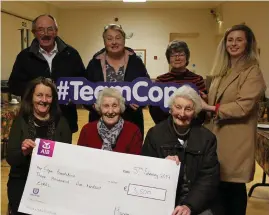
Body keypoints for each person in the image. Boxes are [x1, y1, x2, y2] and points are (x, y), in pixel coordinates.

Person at [201, 24, 266, 215]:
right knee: (219, 188)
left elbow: (243, 106)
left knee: (233, 189)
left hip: (236, 140)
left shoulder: (252, 71)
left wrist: (212, 108)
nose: (233, 44)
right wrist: (206, 100)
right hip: (217, 136)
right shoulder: (223, 70)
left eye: (239, 40)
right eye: (230, 40)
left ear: (248, 43)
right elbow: (220, 100)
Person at [142, 85, 221, 215]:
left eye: (188, 109)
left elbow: (209, 178)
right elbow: (144, 170)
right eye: (178, 107)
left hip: (196, 202)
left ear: (195, 112)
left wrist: (189, 206)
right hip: (162, 199)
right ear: (170, 108)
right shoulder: (155, 134)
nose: (182, 114)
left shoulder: (207, 138)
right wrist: (161, 165)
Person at [8, 14, 85, 134]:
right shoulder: (24, 57)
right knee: (33, 152)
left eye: (50, 29)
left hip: (64, 121)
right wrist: (37, 90)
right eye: (40, 29)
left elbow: (82, 82)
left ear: (56, 31)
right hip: (32, 121)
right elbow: (14, 85)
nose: (46, 33)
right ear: (34, 32)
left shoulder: (71, 54)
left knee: (63, 152)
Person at [6, 77, 72, 215]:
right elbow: (11, 158)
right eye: (39, 95)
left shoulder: (62, 123)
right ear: (31, 97)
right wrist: (23, 152)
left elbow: (67, 159)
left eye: (48, 96)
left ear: (53, 99)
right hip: (22, 179)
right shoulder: (21, 121)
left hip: (52, 181)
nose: (44, 100)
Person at [85, 24, 149, 138]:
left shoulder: (136, 62)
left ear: (124, 40)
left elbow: (146, 87)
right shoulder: (94, 63)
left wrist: (140, 102)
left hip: (131, 121)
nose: (114, 42)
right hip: (100, 122)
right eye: (109, 39)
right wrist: (92, 105)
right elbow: (83, 91)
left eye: (118, 38)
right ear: (104, 42)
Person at [149, 40, 207, 125]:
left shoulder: (197, 79)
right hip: (166, 127)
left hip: (192, 127)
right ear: (169, 59)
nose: (177, 58)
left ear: (187, 57)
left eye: (181, 55)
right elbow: (154, 108)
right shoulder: (160, 80)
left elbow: (202, 109)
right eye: (173, 55)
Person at [78, 88, 142, 154]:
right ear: (100, 108)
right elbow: (80, 158)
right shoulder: (87, 130)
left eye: (115, 106)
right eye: (106, 106)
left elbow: (135, 162)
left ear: (121, 108)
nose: (110, 111)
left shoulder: (133, 131)